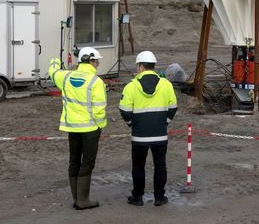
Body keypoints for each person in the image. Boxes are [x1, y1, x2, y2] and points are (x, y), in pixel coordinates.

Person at [48, 47, 107, 210]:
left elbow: (53, 71)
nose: (98, 64)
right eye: (96, 61)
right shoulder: (96, 82)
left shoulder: (65, 77)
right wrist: (100, 125)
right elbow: (99, 109)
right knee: (87, 163)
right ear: (91, 61)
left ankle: (76, 199)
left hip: (72, 128)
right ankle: (83, 201)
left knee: (74, 160)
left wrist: (55, 60)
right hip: (90, 129)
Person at [119, 51, 177, 206]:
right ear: (154, 65)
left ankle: (137, 197)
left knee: (138, 167)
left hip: (139, 135)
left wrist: (132, 124)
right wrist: (165, 122)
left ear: (141, 67)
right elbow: (173, 107)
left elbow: (124, 110)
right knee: (160, 166)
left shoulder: (131, 86)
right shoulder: (166, 84)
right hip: (160, 135)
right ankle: (159, 197)